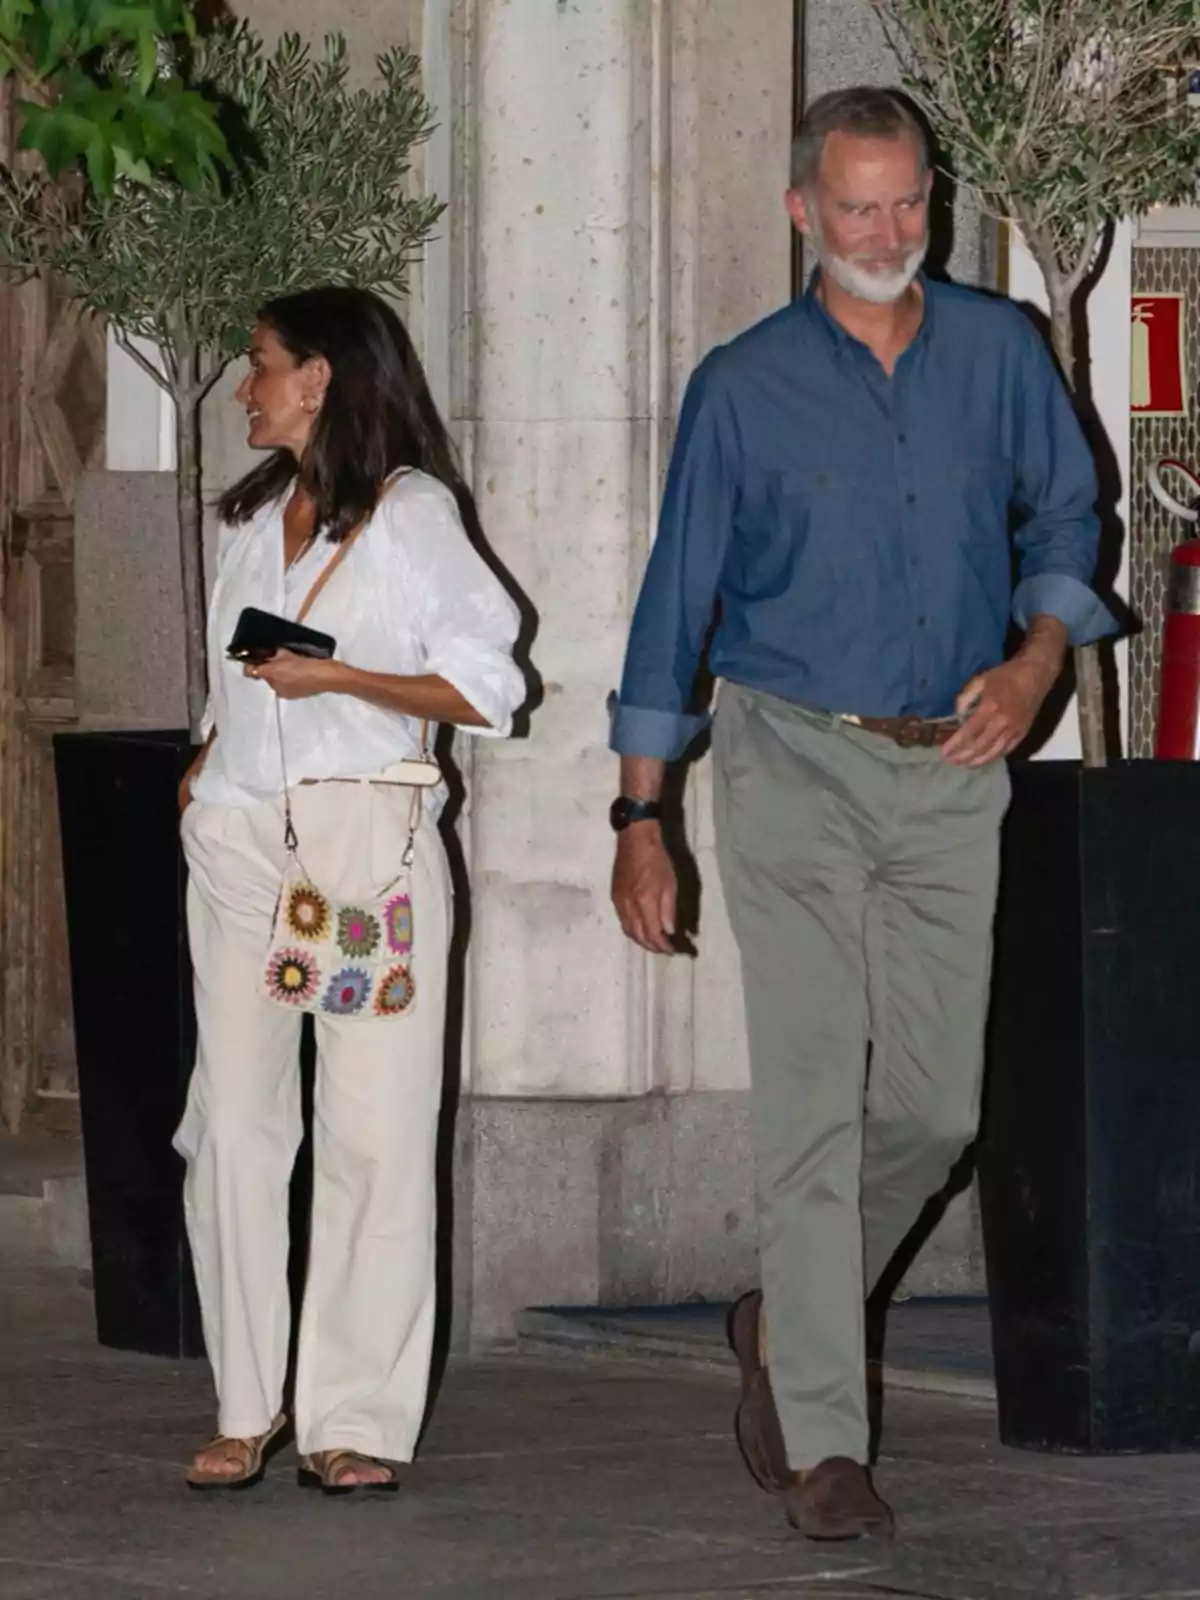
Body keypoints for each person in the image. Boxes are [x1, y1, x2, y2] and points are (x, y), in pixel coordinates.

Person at [608, 87, 1115, 1540]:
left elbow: (1068, 519)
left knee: (937, 1108)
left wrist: (1035, 660)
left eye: (908, 204)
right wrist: (638, 814)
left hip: (958, 764)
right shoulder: (742, 386)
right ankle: (828, 1443)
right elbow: (675, 605)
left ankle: (788, 1303)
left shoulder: (1003, 352)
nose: (888, 233)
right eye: (857, 210)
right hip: (793, 760)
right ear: (802, 216)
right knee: (814, 1106)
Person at [175, 285, 525, 1494]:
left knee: (372, 1130)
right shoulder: (250, 517)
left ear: (319, 376)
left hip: (363, 849)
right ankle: (243, 1399)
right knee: (232, 1123)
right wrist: (205, 766)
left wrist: (341, 682)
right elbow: (233, 680)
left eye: (259, 364)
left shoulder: (413, 514)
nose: (244, 385)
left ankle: (355, 1416)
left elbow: (489, 684)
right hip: (237, 849)